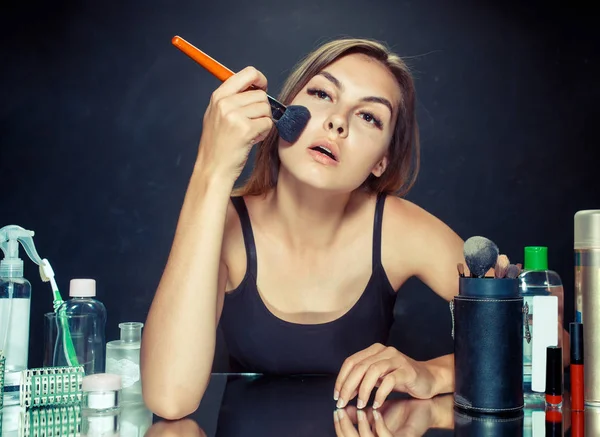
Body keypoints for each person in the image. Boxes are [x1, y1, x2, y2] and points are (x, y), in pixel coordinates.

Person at [141, 37, 465, 420]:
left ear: (382, 161)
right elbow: (169, 398)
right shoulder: (223, 224)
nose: (337, 122)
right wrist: (212, 170)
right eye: (322, 94)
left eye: (369, 117)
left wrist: (432, 373)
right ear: (280, 110)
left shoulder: (402, 228)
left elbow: (543, 340)